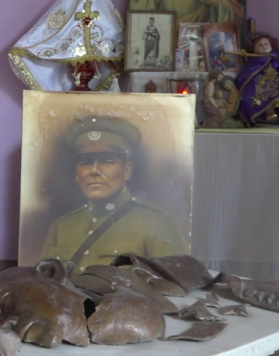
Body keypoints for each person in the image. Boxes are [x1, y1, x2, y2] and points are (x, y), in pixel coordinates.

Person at [41, 116, 188, 275]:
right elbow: (46, 287)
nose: (95, 170)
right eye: (86, 163)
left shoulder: (158, 223)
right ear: (77, 174)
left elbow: (172, 289)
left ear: (126, 170)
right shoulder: (61, 228)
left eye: (107, 161)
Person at [235, 32, 279, 127]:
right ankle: (270, 112)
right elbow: (246, 74)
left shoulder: (276, 57)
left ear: (271, 46)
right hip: (262, 79)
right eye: (259, 45)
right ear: (254, 49)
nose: (264, 46)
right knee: (261, 86)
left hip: (278, 77)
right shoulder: (253, 61)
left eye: (266, 44)